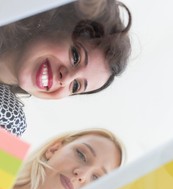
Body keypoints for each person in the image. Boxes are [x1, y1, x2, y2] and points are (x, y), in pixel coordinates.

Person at [0, 0, 132, 135]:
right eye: (75, 57)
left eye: (75, 86)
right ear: (57, 26)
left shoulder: (11, 125)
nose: (67, 78)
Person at [0, 128, 125, 189]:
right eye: (81, 155)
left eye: (96, 178)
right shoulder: (4, 159)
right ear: (54, 149)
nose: (81, 175)